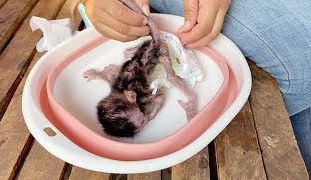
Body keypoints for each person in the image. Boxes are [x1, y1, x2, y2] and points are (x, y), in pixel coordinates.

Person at [83, 0, 311, 173]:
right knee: (302, 69)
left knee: (302, 70)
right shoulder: (130, 86)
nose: (148, 115)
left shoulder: (133, 86)